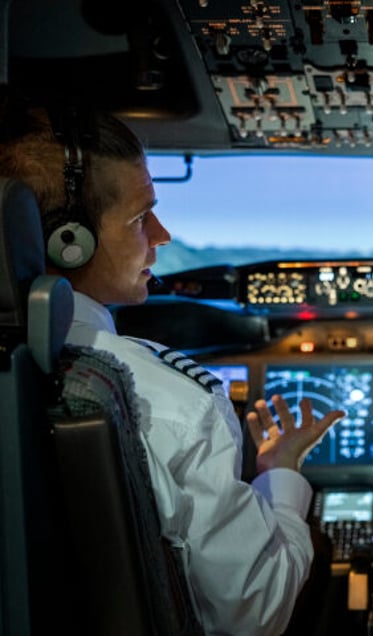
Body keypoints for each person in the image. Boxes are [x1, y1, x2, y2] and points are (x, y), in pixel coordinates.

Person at [0, 98, 345, 635]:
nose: (162, 235)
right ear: (69, 243)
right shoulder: (167, 400)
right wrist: (281, 475)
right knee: (318, 557)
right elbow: (258, 611)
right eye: (141, 216)